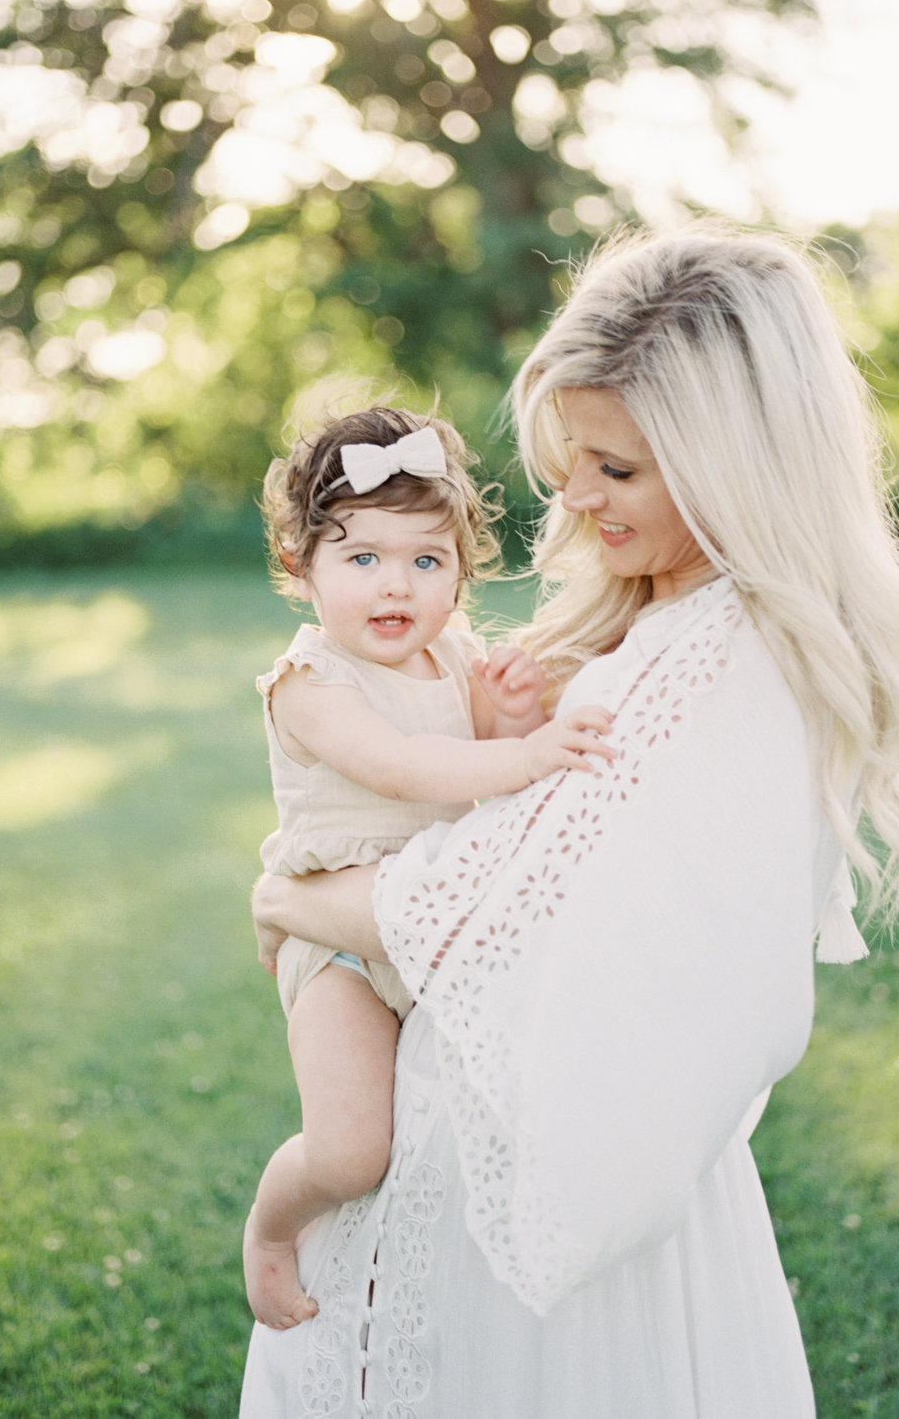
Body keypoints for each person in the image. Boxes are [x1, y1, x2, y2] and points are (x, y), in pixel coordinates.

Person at [242, 227, 899, 1417]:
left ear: (738, 473)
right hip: (466, 1147)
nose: (570, 496)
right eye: (574, 458)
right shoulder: (651, 623)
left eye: (614, 470)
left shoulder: (713, 664)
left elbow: (487, 906)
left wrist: (291, 896)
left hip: (543, 1194)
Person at [245, 406, 614, 1331]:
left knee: (458, 1146)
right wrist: (528, 757)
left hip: (437, 927)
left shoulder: (453, 655)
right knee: (351, 1151)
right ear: (302, 569)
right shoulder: (310, 684)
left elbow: (476, 759)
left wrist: (512, 718)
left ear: (460, 570)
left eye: (426, 559)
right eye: (360, 558)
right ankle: (271, 1228)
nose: (394, 585)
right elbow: (403, 768)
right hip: (338, 942)